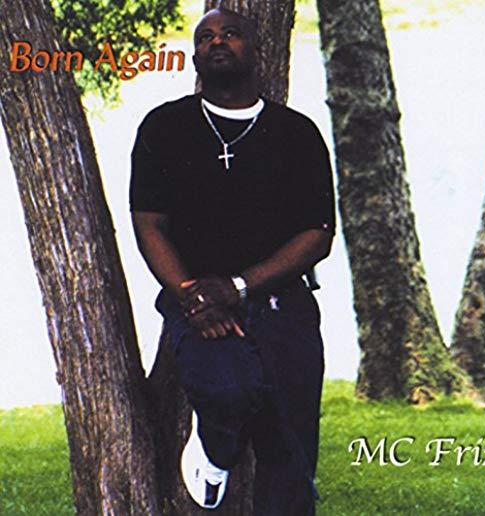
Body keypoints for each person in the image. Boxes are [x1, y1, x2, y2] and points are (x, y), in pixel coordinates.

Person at [130, 7, 335, 515]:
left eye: (230, 34)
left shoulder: (296, 132)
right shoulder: (165, 126)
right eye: (205, 38)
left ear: (255, 51)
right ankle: (215, 446)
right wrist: (191, 295)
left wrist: (239, 286)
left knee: (291, 457)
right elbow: (149, 224)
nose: (217, 42)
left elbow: (318, 235)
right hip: (195, 301)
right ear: (195, 57)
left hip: (282, 303)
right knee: (228, 389)